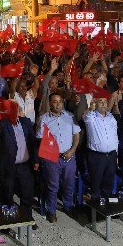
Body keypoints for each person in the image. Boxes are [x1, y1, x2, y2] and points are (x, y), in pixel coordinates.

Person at [37, 93, 81, 223]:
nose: (58, 104)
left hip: (68, 155)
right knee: (53, 185)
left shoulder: (70, 116)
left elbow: (76, 135)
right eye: (55, 102)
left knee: (69, 183)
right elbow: (40, 138)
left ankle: (68, 206)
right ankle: (51, 211)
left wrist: (72, 150)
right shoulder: (44, 119)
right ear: (50, 103)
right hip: (52, 158)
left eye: (60, 101)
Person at [0, 103, 37, 215]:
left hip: (25, 166)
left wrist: (36, 160)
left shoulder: (26, 122)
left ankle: (26, 219)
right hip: (8, 167)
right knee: (7, 196)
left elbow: (32, 142)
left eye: (16, 110)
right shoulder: (2, 124)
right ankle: (8, 223)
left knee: (27, 196)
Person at [82, 97, 119, 200]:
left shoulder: (111, 117)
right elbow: (85, 116)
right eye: (100, 101)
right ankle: (95, 213)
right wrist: (90, 109)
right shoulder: (91, 117)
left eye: (105, 101)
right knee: (95, 184)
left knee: (108, 183)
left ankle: (107, 210)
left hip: (111, 155)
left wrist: (116, 154)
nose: (103, 104)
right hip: (96, 157)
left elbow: (115, 137)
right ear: (95, 104)